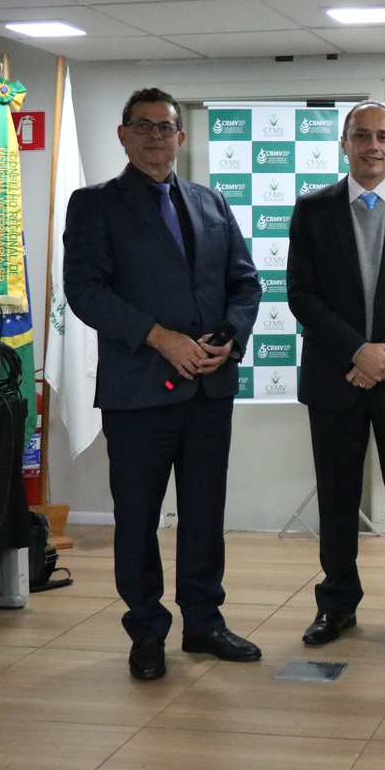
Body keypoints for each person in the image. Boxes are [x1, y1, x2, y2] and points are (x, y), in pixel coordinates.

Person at [63, 87, 262, 681]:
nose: (156, 136)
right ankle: (147, 631)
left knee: (203, 515)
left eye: (166, 126)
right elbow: (86, 291)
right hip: (139, 392)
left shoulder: (210, 201)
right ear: (123, 135)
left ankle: (204, 623)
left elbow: (245, 282)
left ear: (181, 136)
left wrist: (230, 335)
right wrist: (160, 338)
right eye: (144, 126)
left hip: (209, 389)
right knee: (138, 519)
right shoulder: (94, 205)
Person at [286, 101, 385, 645]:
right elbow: (301, 295)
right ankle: (336, 605)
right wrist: (357, 351)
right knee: (337, 498)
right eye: (361, 135)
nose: (372, 145)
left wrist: (384, 358)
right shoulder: (312, 209)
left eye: (382, 136)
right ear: (344, 143)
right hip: (335, 378)